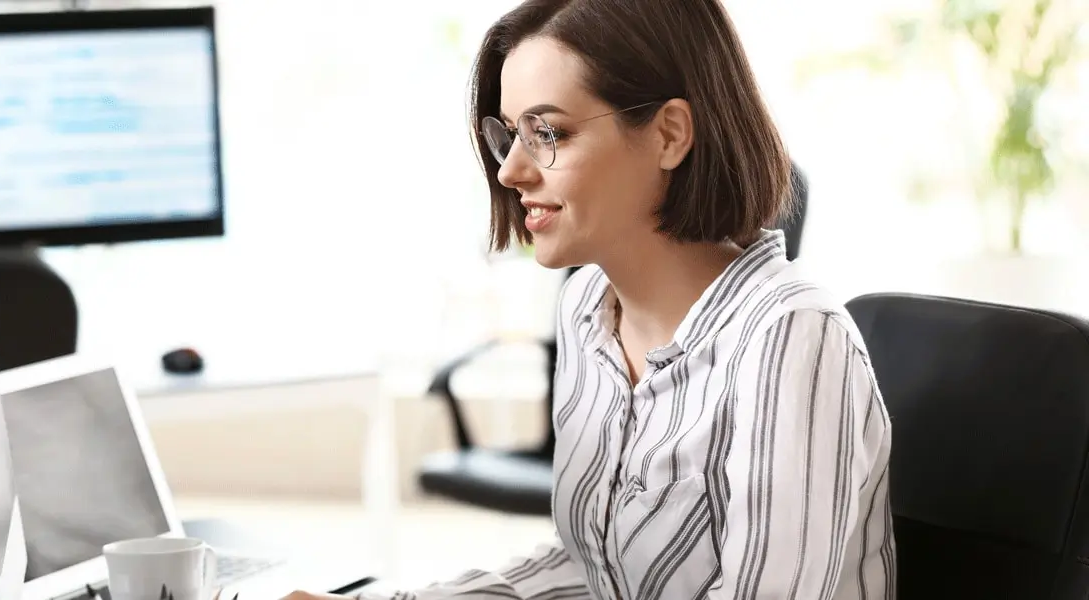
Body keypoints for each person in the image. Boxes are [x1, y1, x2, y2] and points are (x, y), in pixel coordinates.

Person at [285, 0, 895, 598]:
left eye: (548, 132)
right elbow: (593, 568)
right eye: (510, 135)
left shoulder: (791, 340)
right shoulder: (586, 311)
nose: (510, 171)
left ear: (669, 134)